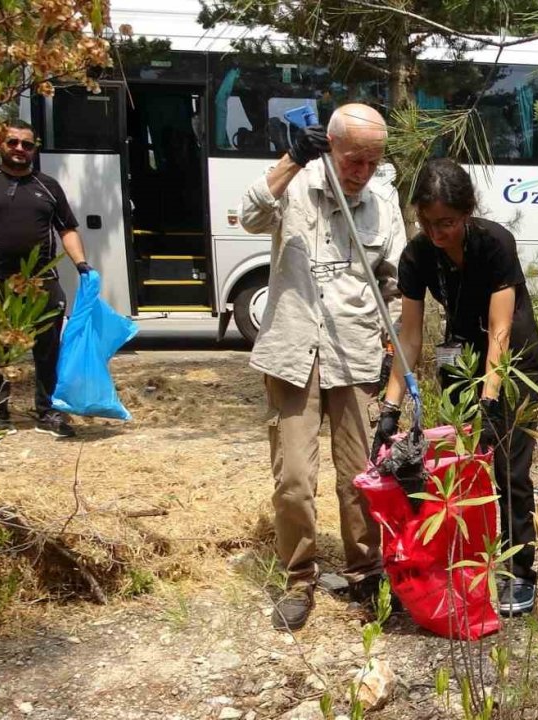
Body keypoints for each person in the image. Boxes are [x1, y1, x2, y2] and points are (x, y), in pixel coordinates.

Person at [240, 104, 403, 631]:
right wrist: (292, 158)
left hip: (353, 352)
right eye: (354, 159)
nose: (363, 171)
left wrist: (391, 345)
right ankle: (299, 578)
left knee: (360, 476)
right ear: (330, 146)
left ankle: (365, 571)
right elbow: (250, 214)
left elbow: (393, 280)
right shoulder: (297, 179)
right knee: (293, 478)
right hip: (293, 351)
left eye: (373, 161)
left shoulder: (384, 198)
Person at [372, 158, 538, 617]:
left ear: (467, 212)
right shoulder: (417, 255)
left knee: (509, 471)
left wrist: (490, 397)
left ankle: (519, 572)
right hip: (461, 364)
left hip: (511, 366)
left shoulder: (494, 243)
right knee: (458, 471)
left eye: (446, 223)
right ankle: (462, 565)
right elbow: (409, 335)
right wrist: (389, 407)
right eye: (426, 222)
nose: (436, 233)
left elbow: (500, 329)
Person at [0, 120, 91, 439]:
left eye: (27, 145)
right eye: (13, 143)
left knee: (48, 349)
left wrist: (82, 265)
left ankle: (48, 412)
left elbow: (66, 228)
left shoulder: (48, 186)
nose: (20, 150)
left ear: (34, 149)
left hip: (42, 282)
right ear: (1, 143)